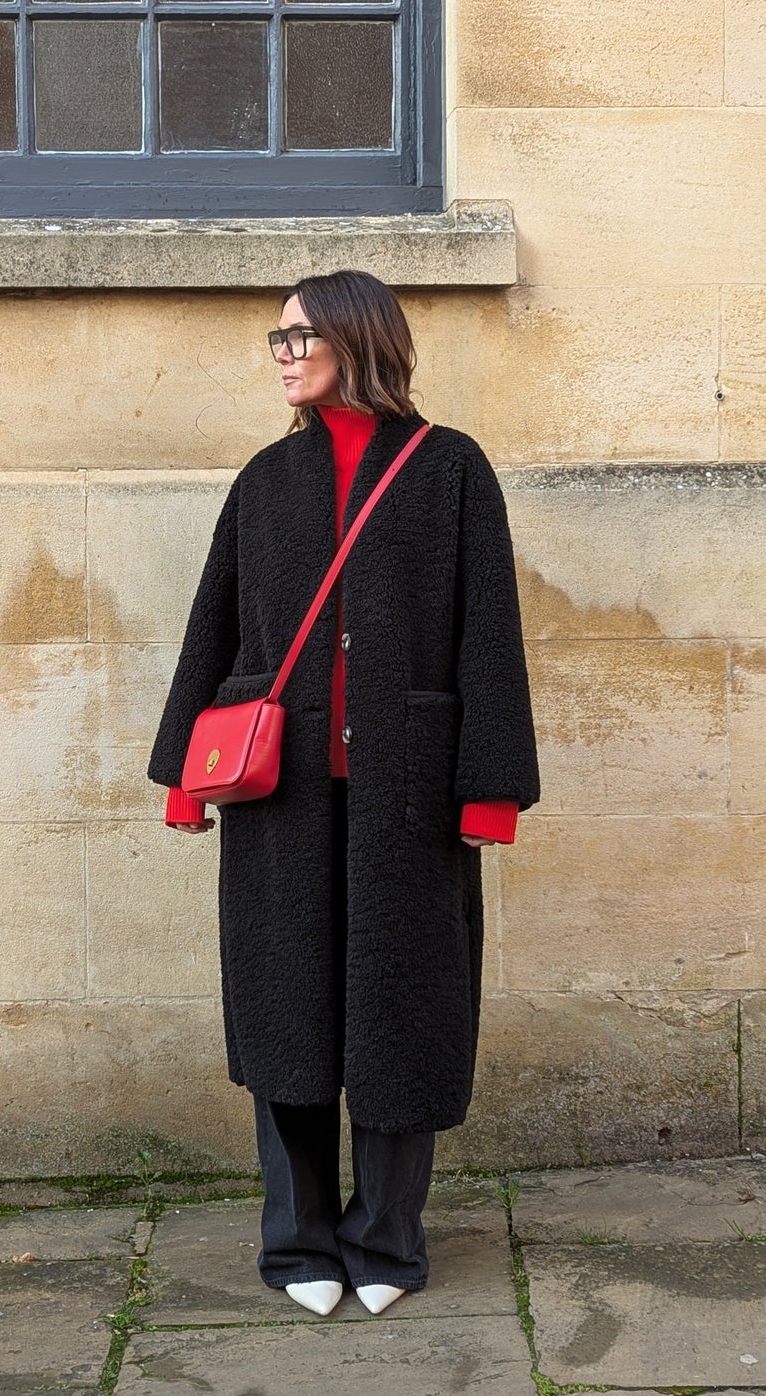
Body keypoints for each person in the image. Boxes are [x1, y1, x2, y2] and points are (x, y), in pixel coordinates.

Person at [147, 270, 539, 1318]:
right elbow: (214, 630)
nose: (281, 352)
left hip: (406, 799)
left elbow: (485, 636)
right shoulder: (263, 484)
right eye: (271, 337)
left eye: (299, 334)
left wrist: (487, 789)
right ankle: (296, 1242)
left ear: (358, 338)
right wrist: (186, 778)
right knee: (288, 1014)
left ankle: (386, 1239)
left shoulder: (449, 469)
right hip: (280, 802)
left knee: (401, 1017)